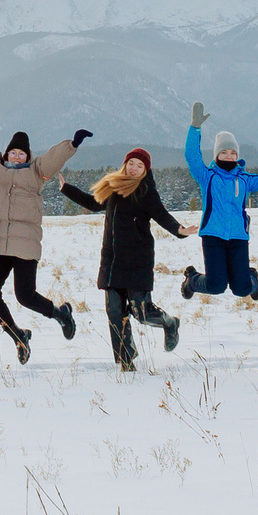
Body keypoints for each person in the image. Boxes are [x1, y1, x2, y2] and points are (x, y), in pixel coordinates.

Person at [0, 90, 84, 362]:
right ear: (6, 154)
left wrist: (72, 144)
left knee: (25, 296)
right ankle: (19, 336)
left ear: (27, 157)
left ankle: (60, 314)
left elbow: (53, 158)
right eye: (12, 152)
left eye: (21, 153)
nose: (15, 156)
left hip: (24, 244)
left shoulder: (36, 173)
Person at [60, 148, 189, 371]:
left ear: (145, 170)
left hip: (138, 260)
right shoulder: (113, 187)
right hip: (112, 260)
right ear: (125, 164)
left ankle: (170, 323)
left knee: (141, 311)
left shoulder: (147, 191)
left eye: (140, 166)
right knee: (115, 313)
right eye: (132, 163)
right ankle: (126, 363)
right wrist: (66, 189)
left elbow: (161, 215)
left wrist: (180, 230)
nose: (134, 168)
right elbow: (93, 203)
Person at [181, 103, 258, 303]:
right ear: (217, 155)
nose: (229, 156)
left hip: (238, 237)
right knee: (216, 286)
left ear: (237, 156)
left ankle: (252, 278)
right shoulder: (207, 176)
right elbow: (192, 156)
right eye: (224, 153)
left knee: (242, 289)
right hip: (213, 236)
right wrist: (195, 128)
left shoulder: (244, 179)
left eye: (232, 153)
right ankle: (191, 280)